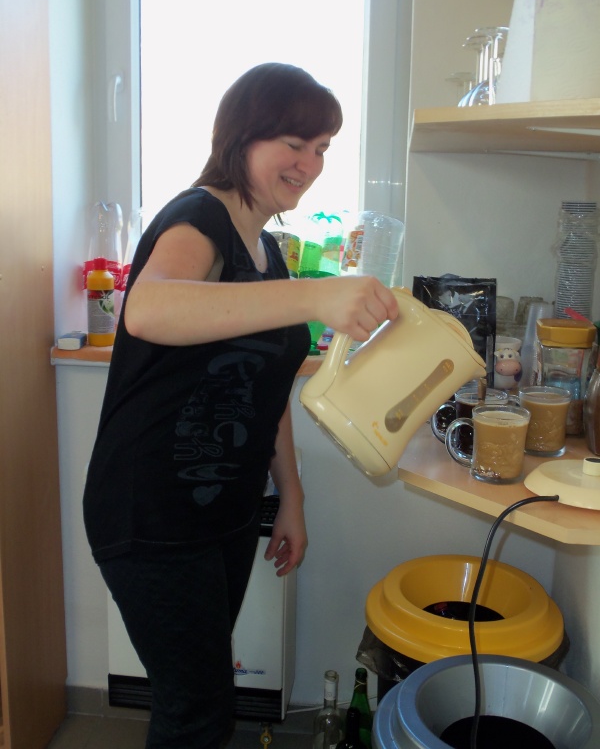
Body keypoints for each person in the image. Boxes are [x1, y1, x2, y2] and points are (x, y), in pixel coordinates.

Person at [83, 62, 399, 749]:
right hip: (150, 511)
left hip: (221, 512)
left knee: (203, 697)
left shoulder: (268, 252)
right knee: (196, 711)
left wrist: (291, 497)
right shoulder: (199, 218)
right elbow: (149, 308)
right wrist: (318, 295)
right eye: (295, 142)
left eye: (322, 148)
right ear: (242, 137)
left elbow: (266, 388)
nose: (310, 163)